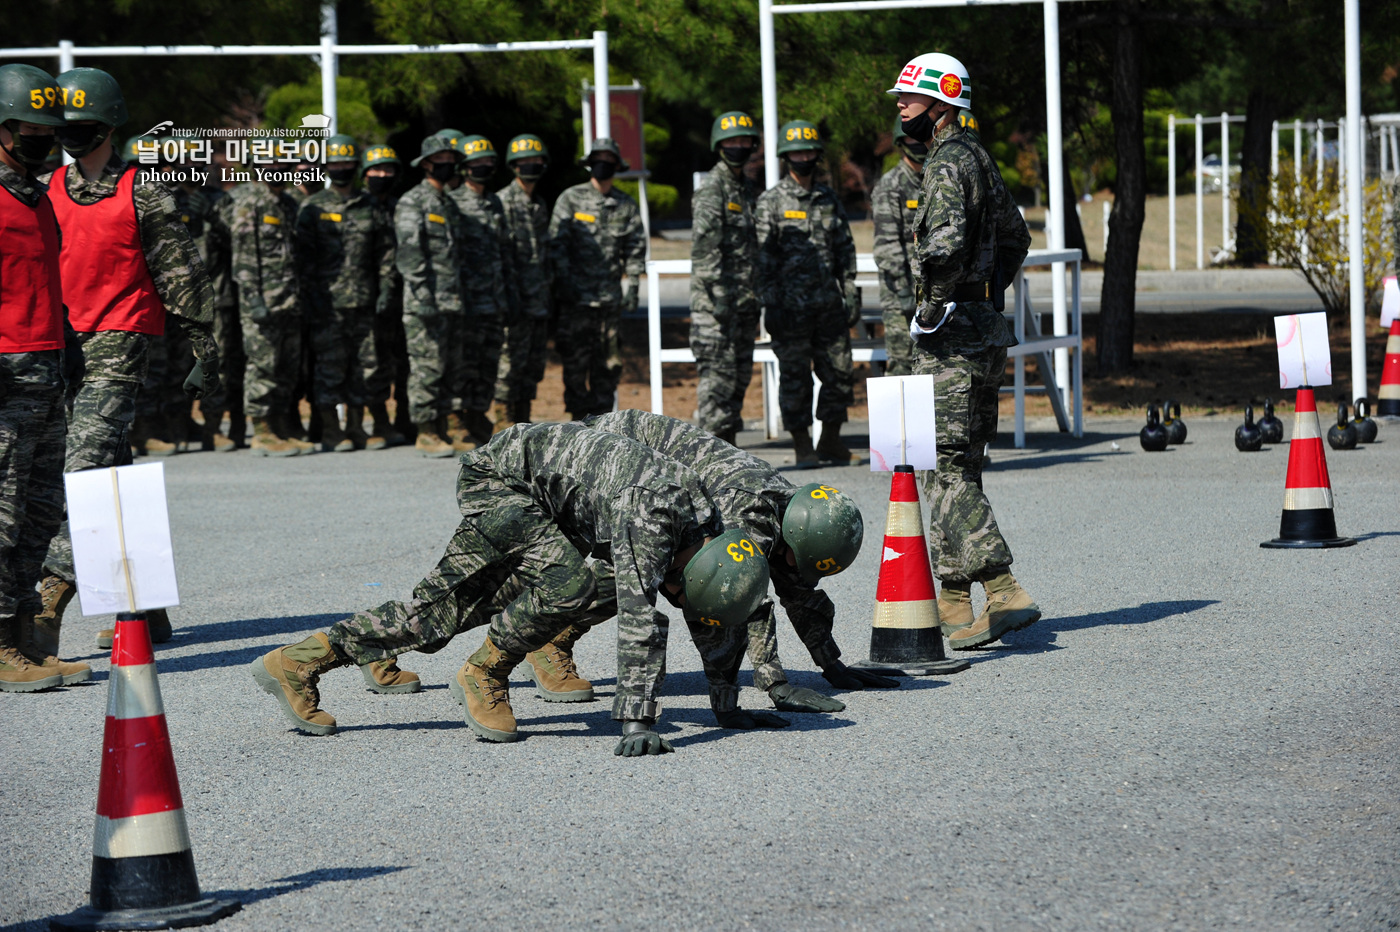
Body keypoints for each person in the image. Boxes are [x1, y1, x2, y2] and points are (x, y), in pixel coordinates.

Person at [251, 422, 769, 757]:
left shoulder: (708, 529)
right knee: (571, 584)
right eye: (681, 596)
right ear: (687, 576)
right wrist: (637, 721)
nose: (677, 602)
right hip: (499, 481)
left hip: (553, 502)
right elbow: (641, 620)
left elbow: (711, 615)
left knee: (458, 607)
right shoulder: (651, 520)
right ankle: (483, 672)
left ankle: (303, 658)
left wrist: (726, 703)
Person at [35, 67, 220, 652]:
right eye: (65, 125)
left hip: (120, 340)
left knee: (82, 469)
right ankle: (145, 610)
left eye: (84, 124)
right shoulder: (47, 187)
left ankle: (47, 600)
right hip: (61, 343)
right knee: (115, 473)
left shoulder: (143, 190)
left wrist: (204, 344)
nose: (73, 134)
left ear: (110, 124)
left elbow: (180, 271)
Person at [579, 411, 897, 724]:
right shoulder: (744, 510)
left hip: (648, 462)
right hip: (607, 451)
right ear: (794, 537)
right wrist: (777, 685)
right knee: (635, 572)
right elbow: (741, 598)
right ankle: (549, 637)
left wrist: (832, 665)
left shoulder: (792, 512)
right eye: (799, 561)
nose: (796, 570)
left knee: (641, 568)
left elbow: (798, 590)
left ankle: (555, 628)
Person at [888, 52, 1040, 648]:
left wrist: (932, 309)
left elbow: (944, 247)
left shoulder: (948, 162)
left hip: (951, 336)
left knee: (942, 465)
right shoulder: (978, 157)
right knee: (962, 461)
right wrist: (983, 295)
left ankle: (1002, 589)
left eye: (911, 98)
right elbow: (1016, 236)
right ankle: (953, 596)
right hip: (982, 329)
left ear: (942, 103)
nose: (901, 107)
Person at [0, 64, 91, 690]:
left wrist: (68, 343)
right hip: (5, 376)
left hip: (45, 368)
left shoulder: (36, 198)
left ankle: (26, 637)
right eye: (32, 130)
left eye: (49, 131)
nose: (44, 141)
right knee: (0, 515)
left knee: (38, 512)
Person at [755, 120, 861, 467]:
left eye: (809, 151)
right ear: (786, 157)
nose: (804, 157)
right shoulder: (771, 202)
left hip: (828, 305)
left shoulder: (828, 199)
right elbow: (762, 259)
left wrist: (850, 291)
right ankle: (803, 446)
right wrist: (769, 302)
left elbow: (844, 249)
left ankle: (830, 439)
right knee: (795, 377)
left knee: (840, 371)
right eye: (797, 151)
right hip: (789, 309)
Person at [208, 137, 309, 457]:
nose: (277, 170)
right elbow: (244, 256)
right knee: (263, 365)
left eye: (282, 164)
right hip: (262, 302)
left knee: (286, 367)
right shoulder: (249, 201)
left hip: (290, 301)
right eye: (270, 165)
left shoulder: (289, 203)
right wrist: (254, 299)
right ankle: (262, 430)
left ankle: (280, 425)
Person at [296, 133, 395, 452]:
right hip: (328, 304)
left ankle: (356, 426)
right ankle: (330, 429)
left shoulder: (369, 205)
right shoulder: (313, 207)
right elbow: (303, 258)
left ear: (356, 167)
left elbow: (385, 253)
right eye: (335, 164)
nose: (341, 168)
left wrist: (384, 290)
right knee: (330, 367)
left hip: (364, 302)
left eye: (347, 163)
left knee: (364, 365)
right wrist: (311, 296)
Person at [548, 138, 645, 419]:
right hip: (575, 301)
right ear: (589, 163)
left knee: (609, 364)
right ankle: (578, 421)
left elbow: (635, 248)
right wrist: (564, 283)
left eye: (609, 159)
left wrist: (634, 285)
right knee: (575, 362)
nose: (603, 164)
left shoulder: (625, 204)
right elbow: (557, 245)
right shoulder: (570, 198)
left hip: (609, 301)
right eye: (598, 158)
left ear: (617, 165)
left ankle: (603, 420)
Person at [689, 111, 762, 445]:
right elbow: (705, 250)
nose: (738, 146)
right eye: (731, 141)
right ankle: (709, 459)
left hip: (744, 305)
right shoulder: (712, 189)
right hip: (716, 308)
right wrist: (719, 298)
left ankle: (728, 454)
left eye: (744, 141)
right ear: (719, 145)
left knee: (737, 381)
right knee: (716, 385)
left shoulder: (746, 189)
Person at [394, 134, 466, 457]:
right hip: (425, 302)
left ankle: (447, 426)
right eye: (442, 160)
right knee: (426, 367)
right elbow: (410, 254)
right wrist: (424, 297)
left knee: (451, 366)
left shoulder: (447, 203)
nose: (449, 165)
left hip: (450, 300)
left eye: (452, 159)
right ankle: (425, 431)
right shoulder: (413, 201)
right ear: (426, 164)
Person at [448, 134, 513, 446]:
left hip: (494, 298)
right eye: (475, 163)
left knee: (488, 363)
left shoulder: (494, 202)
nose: (482, 167)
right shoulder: (454, 203)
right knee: (464, 363)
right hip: (467, 300)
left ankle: (477, 415)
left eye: (487, 162)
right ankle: (457, 420)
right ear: (463, 167)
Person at [495, 133, 553, 425]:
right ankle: (502, 422)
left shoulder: (539, 205)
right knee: (509, 362)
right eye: (523, 161)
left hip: (538, 298)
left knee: (532, 365)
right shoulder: (502, 203)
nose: (530, 166)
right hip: (513, 298)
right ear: (513, 165)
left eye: (535, 160)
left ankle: (523, 421)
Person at [358, 142, 408, 447]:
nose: (382, 174)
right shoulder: (357, 207)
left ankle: (406, 419)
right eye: (376, 169)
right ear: (365, 174)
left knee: (405, 363)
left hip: (404, 297)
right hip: (368, 299)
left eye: (388, 169)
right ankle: (379, 422)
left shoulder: (401, 206)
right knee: (373, 363)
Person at [872, 116, 927, 377]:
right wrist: (906, 294)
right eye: (910, 138)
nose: (917, 144)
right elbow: (886, 247)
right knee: (902, 367)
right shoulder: (890, 185)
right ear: (900, 141)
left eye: (920, 137)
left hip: (933, 294)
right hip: (899, 297)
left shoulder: (935, 181)